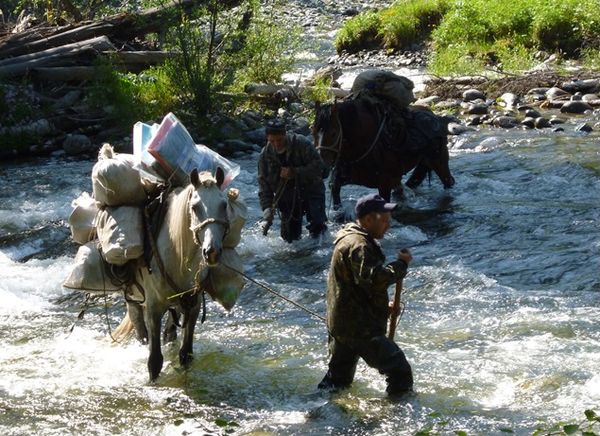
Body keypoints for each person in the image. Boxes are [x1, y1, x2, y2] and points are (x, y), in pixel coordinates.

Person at [318, 193, 414, 396]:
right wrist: (401, 265)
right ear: (368, 219)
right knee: (399, 370)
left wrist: (382, 307)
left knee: (337, 382)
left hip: (343, 323)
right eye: (385, 220)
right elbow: (375, 279)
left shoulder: (350, 238)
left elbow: (359, 285)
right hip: (359, 328)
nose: (388, 226)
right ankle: (399, 414)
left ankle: (318, 414)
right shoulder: (359, 245)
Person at [258, 119, 327, 242]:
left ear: (285, 134)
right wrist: (267, 207)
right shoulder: (265, 155)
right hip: (287, 198)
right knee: (290, 239)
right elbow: (264, 184)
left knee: (318, 230)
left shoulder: (301, 143)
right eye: (271, 141)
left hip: (312, 190)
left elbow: (321, 167)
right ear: (267, 138)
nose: (276, 144)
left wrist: (295, 172)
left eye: (279, 140)